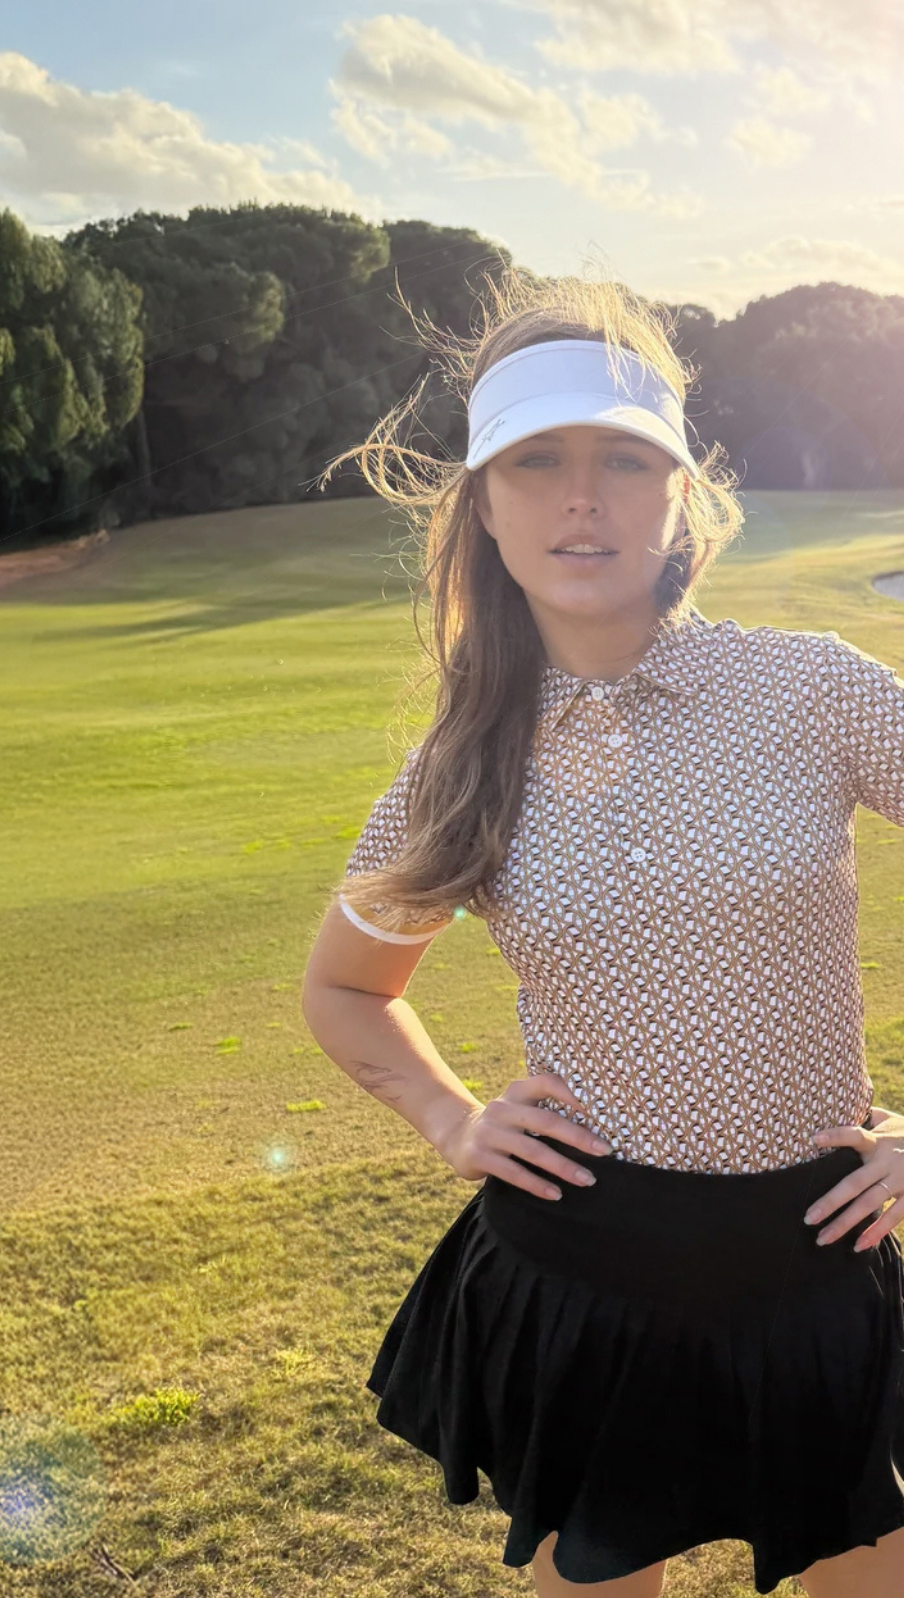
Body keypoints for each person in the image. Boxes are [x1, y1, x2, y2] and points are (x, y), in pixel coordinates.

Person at [300, 269, 904, 1597]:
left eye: (625, 459)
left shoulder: (813, 690)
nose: (583, 497)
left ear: (680, 492)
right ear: (485, 506)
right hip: (582, 1270)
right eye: (538, 461)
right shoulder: (460, 767)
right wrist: (454, 1121)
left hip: (817, 1253)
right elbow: (345, 988)